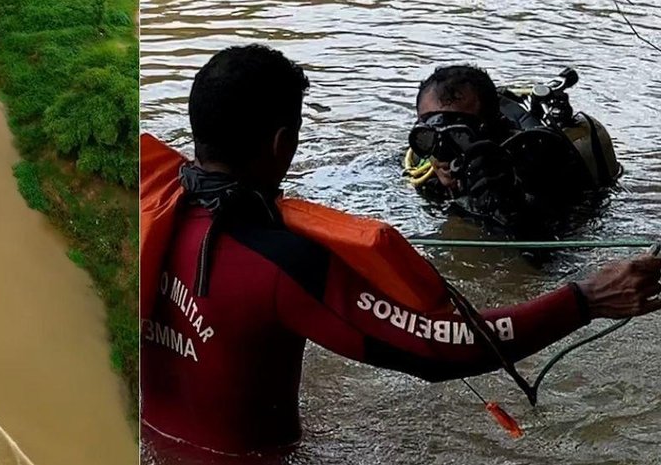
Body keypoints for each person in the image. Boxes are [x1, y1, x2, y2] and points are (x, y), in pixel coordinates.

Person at [140, 44, 661, 458]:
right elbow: (439, 347)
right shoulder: (282, 261)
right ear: (283, 144)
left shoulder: (147, 210)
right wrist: (586, 298)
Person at [408, 64, 614, 236]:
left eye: (458, 135)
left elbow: (555, 250)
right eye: (432, 134)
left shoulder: (535, 159)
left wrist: (507, 203)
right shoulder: (424, 164)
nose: (444, 147)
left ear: (491, 127)